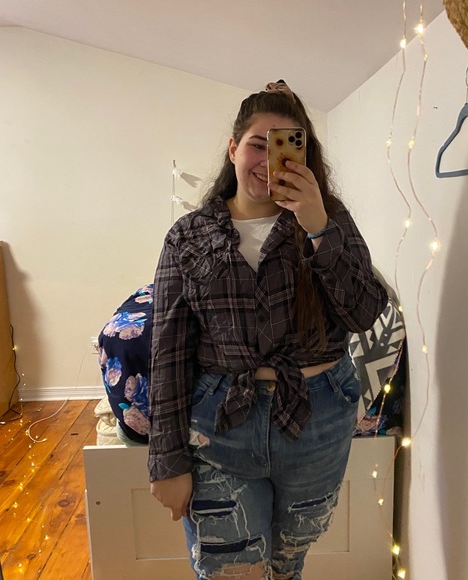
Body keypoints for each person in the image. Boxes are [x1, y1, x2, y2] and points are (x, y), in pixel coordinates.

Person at [148, 80, 388, 580]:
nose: (268, 161)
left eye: (286, 147)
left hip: (317, 418)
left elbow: (365, 313)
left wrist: (319, 227)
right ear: (233, 148)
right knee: (229, 571)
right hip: (221, 423)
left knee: (287, 567)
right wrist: (167, 461)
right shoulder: (188, 236)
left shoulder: (329, 218)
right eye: (258, 144)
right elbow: (167, 352)